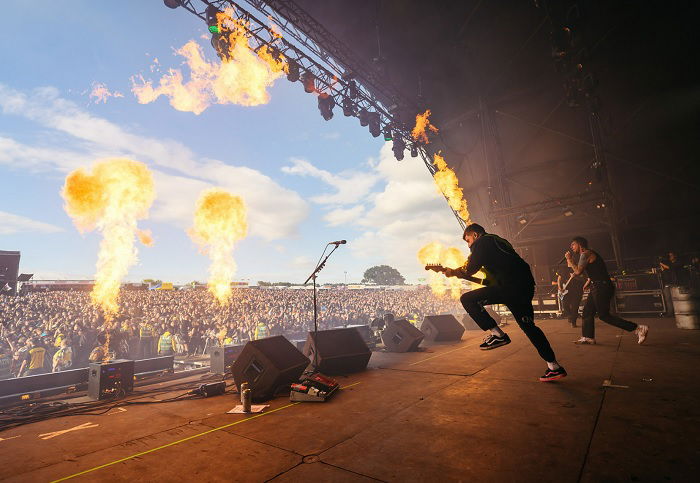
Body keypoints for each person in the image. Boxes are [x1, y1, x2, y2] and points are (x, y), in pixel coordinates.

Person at [444, 223, 566, 382]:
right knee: (529, 327)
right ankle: (554, 366)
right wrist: (459, 274)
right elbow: (486, 280)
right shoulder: (498, 243)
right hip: (523, 288)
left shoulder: (483, 242)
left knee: (467, 299)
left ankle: (498, 334)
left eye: (468, 241)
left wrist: (453, 272)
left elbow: (470, 268)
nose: (469, 246)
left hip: (510, 287)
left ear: (475, 235)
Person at [566, 236, 648, 345]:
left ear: (580, 245)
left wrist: (569, 259)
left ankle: (638, 328)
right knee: (587, 312)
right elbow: (596, 270)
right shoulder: (587, 254)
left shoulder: (585, 254)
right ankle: (588, 337)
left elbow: (578, 271)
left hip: (602, 287)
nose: (571, 247)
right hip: (597, 286)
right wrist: (589, 282)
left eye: (573, 244)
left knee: (604, 315)